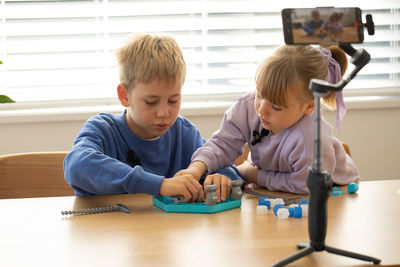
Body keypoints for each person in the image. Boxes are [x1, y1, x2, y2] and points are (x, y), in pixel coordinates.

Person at [63, 33, 242, 202]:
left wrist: (221, 179)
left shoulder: (183, 133)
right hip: (107, 232)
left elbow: (226, 169)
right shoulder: (102, 129)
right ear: (124, 95)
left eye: (173, 100)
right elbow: (77, 165)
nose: (164, 113)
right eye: (151, 101)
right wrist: (161, 185)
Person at [184, 45, 358, 194]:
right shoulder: (247, 106)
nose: (261, 110)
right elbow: (222, 144)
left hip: (332, 190)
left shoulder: (312, 137)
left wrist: (254, 175)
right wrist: (196, 169)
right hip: (277, 186)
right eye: (260, 94)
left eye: (276, 107)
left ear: (309, 107)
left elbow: (306, 186)